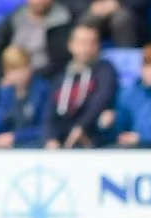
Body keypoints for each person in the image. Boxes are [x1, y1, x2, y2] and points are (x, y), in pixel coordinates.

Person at [44, 21, 118, 149]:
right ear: (71, 45)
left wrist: (81, 126)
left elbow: (100, 101)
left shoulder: (105, 70)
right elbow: (50, 110)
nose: (87, 48)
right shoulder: (61, 75)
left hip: (92, 135)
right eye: (82, 42)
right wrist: (50, 138)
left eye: (92, 43)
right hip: (62, 137)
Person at [99, 44, 151, 148]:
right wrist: (109, 124)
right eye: (150, 68)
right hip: (130, 150)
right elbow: (119, 129)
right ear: (141, 69)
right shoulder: (127, 94)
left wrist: (141, 137)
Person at [0, 44, 50, 150]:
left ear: (29, 67)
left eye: (19, 69)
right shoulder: (6, 92)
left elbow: (46, 128)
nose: (16, 74)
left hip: (35, 147)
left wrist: (15, 136)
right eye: (11, 70)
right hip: (11, 149)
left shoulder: (42, 90)